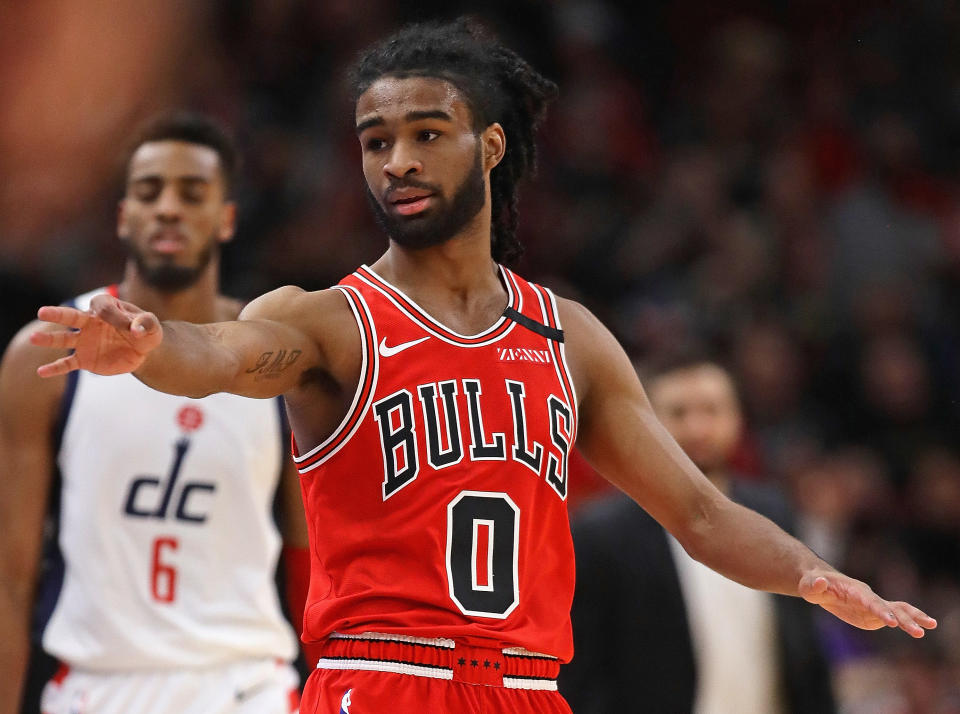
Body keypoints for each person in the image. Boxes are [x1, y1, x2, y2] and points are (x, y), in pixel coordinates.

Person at [29, 19, 936, 714]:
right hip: (382, 680)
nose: (398, 161)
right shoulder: (329, 322)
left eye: (427, 133)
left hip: (529, 688)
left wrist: (812, 574)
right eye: (375, 140)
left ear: (491, 147)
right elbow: (219, 355)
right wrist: (151, 347)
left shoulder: (567, 337)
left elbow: (698, 512)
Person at [0, 113, 311, 714]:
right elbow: (10, 581)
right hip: (96, 685)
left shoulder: (279, 355)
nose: (168, 208)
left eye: (191, 193)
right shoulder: (40, 354)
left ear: (226, 219)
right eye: (149, 192)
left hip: (248, 686)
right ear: (122, 216)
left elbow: (313, 565)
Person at [559, 356, 836, 713]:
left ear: (738, 418)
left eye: (711, 410)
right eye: (678, 413)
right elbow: (584, 673)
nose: (698, 429)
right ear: (646, 423)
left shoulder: (774, 512)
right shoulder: (601, 533)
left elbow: (805, 650)